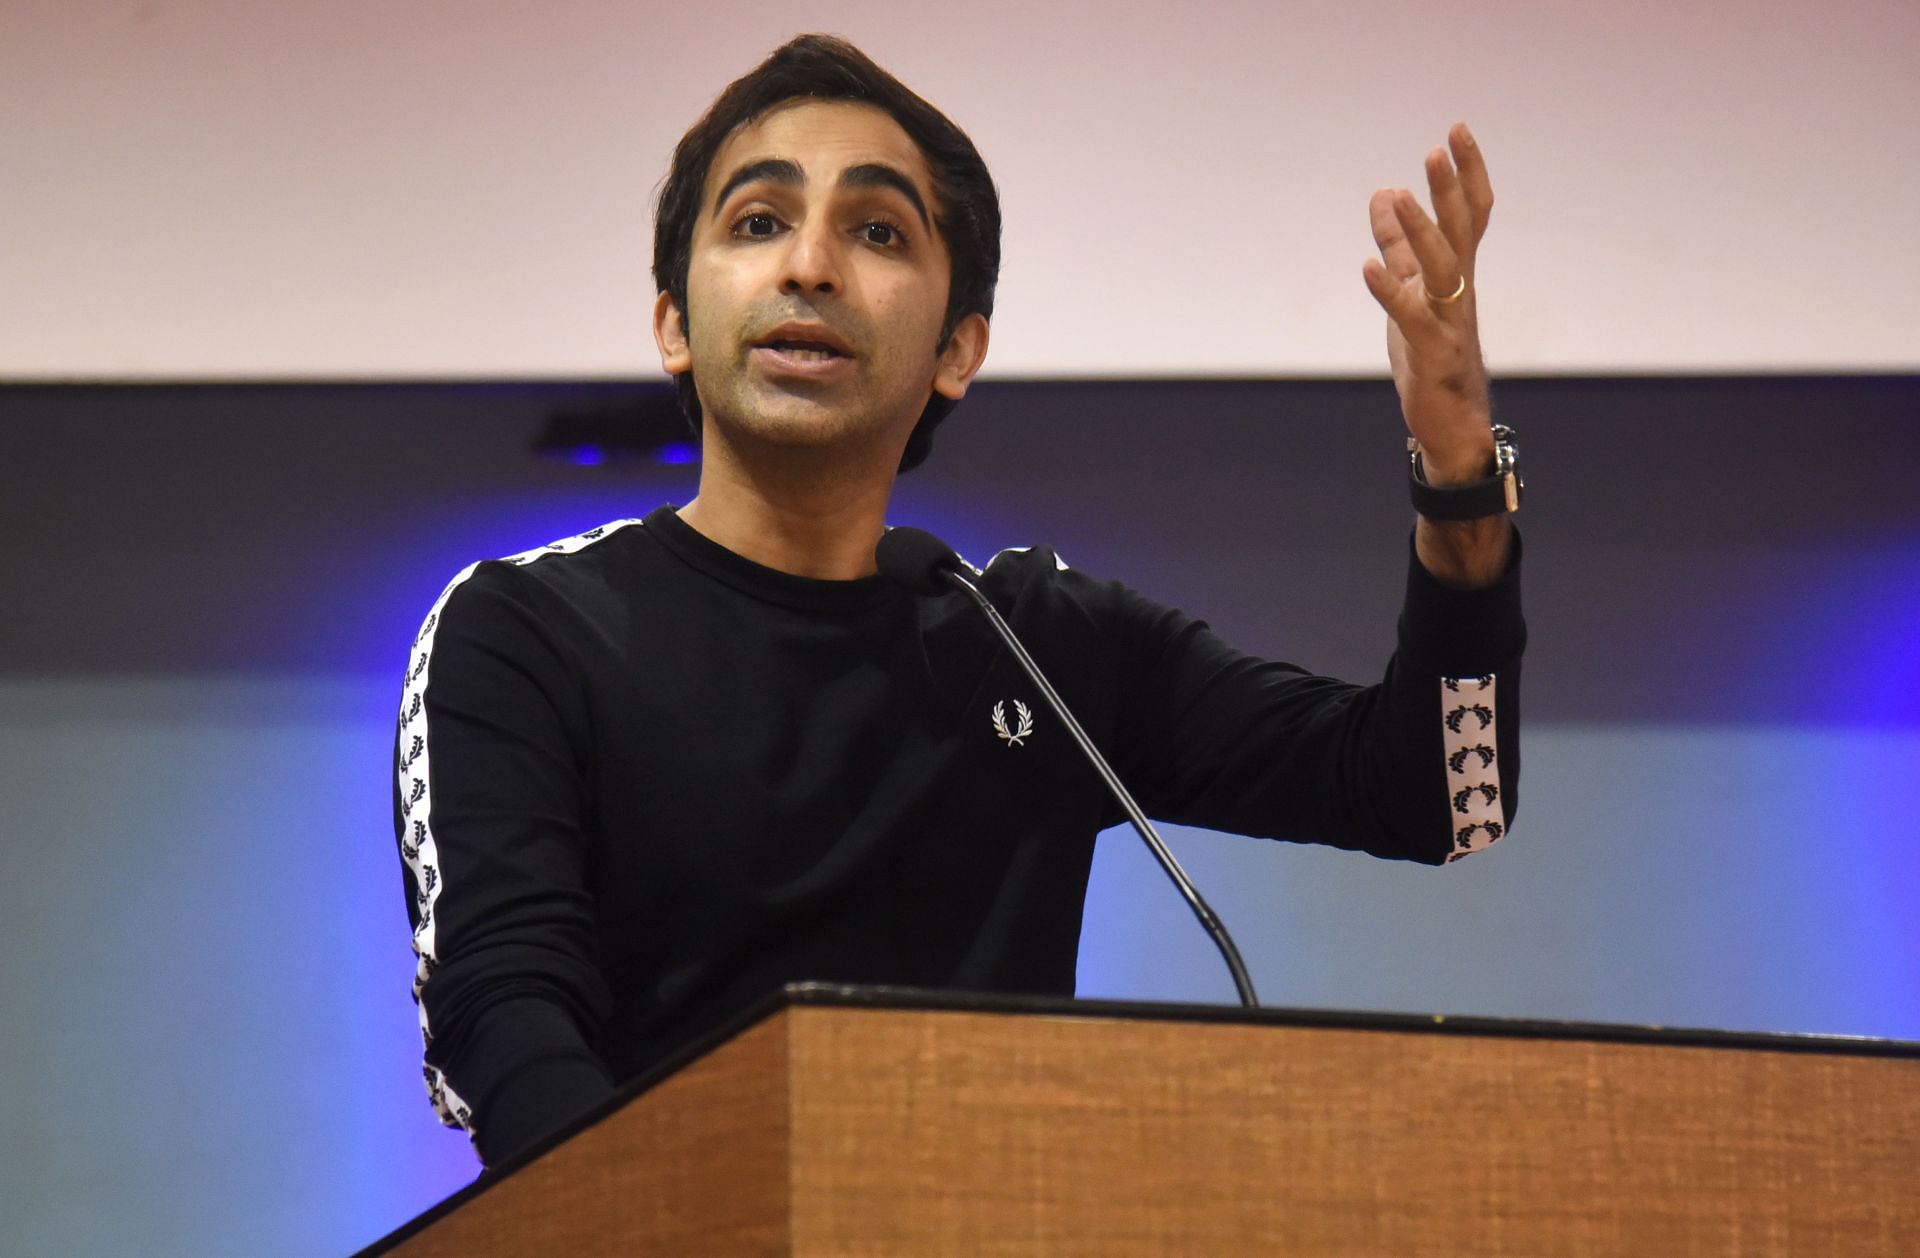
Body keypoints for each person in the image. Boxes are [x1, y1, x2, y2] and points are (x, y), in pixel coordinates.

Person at [391, 33, 1523, 1169]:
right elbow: (504, 1019)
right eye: (757, 222)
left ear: (958, 348)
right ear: (674, 324)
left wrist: (1459, 461)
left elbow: (1439, 793)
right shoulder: (522, 631)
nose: (811, 266)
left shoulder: (1027, 645)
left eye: (877, 231)